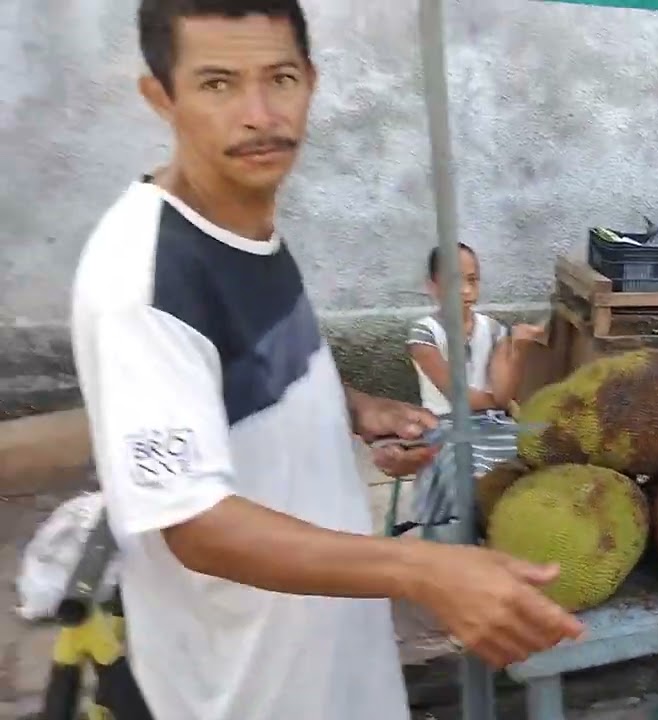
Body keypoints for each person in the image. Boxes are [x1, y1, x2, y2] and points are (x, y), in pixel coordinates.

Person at [69, 2, 584, 719]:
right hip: (246, 689)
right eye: (218, 84)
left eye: (278, 78)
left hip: (329, 656)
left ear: (310, 81)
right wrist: (421, 567)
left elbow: (259, 358)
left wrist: (357, 410)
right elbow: (195, 522)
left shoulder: (245, 221)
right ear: (161, 96)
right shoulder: (143, 282)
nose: (258, 113)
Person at [407, 242, 544, 417]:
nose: (466, 290)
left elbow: (503, 393)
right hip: (443, 424)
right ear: (432, 286)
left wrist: (518, 350)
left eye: (472, 280)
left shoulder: (494, 330)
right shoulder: (424, 333)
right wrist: (498, 403)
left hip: (493, 423)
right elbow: (460, 398)